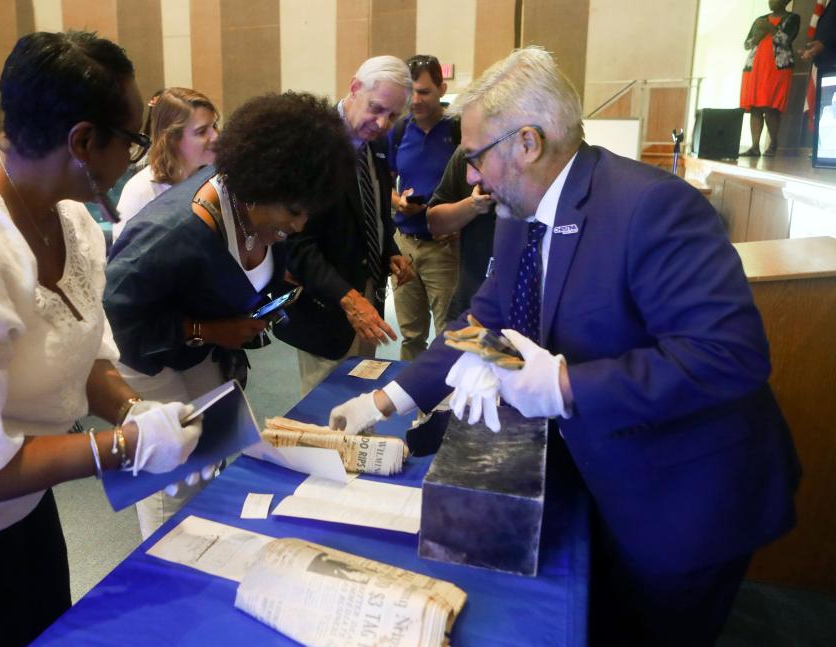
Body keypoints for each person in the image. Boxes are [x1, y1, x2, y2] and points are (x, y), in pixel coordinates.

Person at [328, 47, 800, 646]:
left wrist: (566, 385)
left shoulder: (650, 207)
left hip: (682, 497)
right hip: (598, 480)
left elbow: (727, 356)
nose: (470, 177)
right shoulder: (517, 210)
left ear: (526, 143)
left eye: (474, 158)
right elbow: (485, 324)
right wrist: (388, 399)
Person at [0, 31, 204, 645]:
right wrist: (122, 447)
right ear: (82, 141)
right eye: (133, 141)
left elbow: (68, 346)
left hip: (24, 511)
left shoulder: (67, 210)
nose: (137, 157)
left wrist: (133, 408)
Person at [104, 92, 354, 538]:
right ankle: (165, 565)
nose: (297, 226)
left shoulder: (260, 212)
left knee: (213, 450)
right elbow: (118, 320)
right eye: (293, 213)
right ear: (259, 185)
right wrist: (207, 328)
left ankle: (200, 544)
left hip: (197, 349)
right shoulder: (172, 233)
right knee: (172, 471)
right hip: (142, 355)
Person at [284, 55, 415, 395]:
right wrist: (347, 299)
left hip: (367, 293)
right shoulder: (311, 144)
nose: (383, 122)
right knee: (324, 412)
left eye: (393, 115)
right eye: (376, 108)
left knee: (360, 396)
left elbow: (373, 205)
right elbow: (296, 242)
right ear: (354, 87)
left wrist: (390, 250)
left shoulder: (375, 138)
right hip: (328, 304)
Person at [387, 54, 460, 360]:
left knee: (448, 335)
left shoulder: (457, 130)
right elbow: (384, 183)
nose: (415, 100)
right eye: (410, 92)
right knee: (411, 335)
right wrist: (399, 202)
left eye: (424, 92)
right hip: (405, 246)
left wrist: (457, 224)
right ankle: (411, 402)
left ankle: (448, 405)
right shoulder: (399, 130)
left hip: (443, 248)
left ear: (442, 89)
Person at [112, 87, 218, 242]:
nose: (215, 136)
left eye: (214, 126)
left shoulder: (216, 181)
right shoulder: (140, 191)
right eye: (201, 131)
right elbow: (124, 260)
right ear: (172, 139)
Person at [426, 145, 497, 321]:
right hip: (470, 296)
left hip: (523, 306)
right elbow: (434, 222)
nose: (471, 178)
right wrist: (473, 205)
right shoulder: (466, 151)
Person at [739, 0, 800, 157]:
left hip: (776, 68)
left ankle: (773, 143)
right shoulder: (761, 19)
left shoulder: (792, 18)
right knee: (755, 107)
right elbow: (747, 44)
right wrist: (759, 35)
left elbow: (786, 40)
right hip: (755, 67)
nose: (771, 1)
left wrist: (770, 29)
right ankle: (754, 147)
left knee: (770, 107)